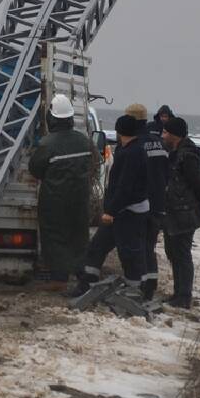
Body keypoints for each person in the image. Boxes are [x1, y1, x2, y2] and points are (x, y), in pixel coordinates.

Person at [71, 114, 150, 296]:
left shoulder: (131, 153)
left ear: (119, 130)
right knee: (97, 247)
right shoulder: (130, 149)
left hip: (127, 213)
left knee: (129, 253)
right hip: (122, 211)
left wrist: (111, 211)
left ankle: (134, 292)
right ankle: (86, 285)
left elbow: (125, 187)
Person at [27, 94, 95, 292]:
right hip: (80, 199)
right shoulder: (84, 141)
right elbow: (92, 166)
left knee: (55, 238)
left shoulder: (47, 144)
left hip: (54, 201)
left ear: (52, 118)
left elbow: (35, 169)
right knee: (79, 237)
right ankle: (84, 276)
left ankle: (59, 279)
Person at [160, 117, 200, 308]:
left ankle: (184, 296)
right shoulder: (176, 152)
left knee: (182, 254)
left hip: (185, 214)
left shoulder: (188, 156)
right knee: (173, 253)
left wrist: (192, 204)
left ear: (174, 135)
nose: (162, 136)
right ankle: (178, 293)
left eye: (165, 132)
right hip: (175, 213)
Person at [125, 102, 169, 300]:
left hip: (140, 204)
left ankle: (139, 288)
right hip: (158, 204)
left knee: (137, 246)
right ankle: (150, 286)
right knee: (149, 247)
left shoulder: (135, 145)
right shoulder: (158, 143)